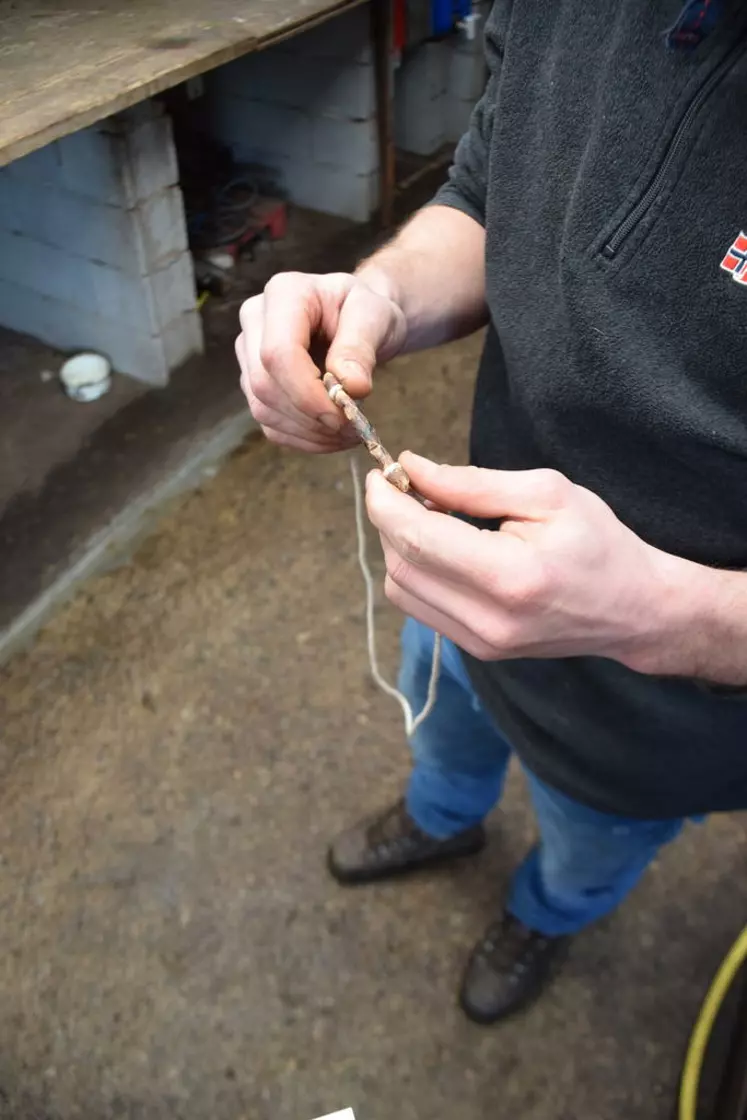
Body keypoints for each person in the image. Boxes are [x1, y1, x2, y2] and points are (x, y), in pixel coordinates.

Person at [236, 0, 747, 1025]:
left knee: (587, 849)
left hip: (670, 725)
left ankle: (547, 913)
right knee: (446, 728)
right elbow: (486, 187)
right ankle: (444, 819)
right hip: (467, 576)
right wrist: (374, 294)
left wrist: (669, 614)